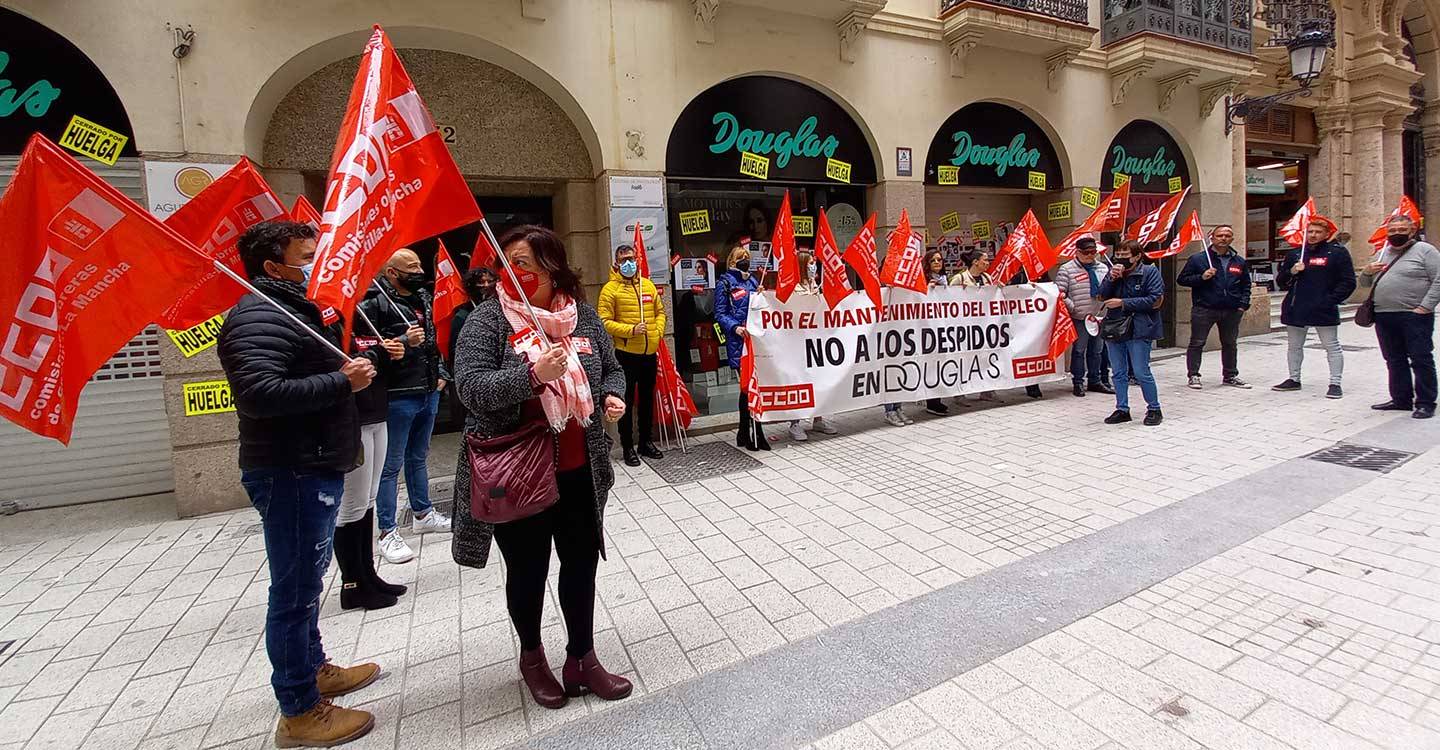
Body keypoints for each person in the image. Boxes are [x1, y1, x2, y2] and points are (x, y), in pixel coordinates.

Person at [452, 225, 631, 710]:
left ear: (553, 268)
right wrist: (531, 376)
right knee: (528, 571)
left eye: (526, 263)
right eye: (507, 263)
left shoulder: (582, 318)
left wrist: (613, 394)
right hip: (518, 474)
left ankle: (582, 657)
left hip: (579, 470)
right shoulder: (488, 321)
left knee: (581, 564)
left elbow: (612, 369)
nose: (515, 272)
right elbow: (469, 389)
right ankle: (532, 658)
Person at [218, 221, 380, 746]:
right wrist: (341, 381)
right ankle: (299, 708)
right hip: (291, 469)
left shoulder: (294, 310)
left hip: (313, 462)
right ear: (272, 267)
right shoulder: (256, 315)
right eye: (307, 256)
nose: (318, 263)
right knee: (294, 590)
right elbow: (259, 393)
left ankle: (314, 667)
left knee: (308, 582)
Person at [359, 249, 453, 565]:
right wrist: (403, 338)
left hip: (428, 389)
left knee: (418, 456)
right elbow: (365, 348)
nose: (417, 269)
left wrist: (441, 374)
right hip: (398, 394)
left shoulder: (423, 297)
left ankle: (423, 512)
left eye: (418, 263)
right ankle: (387, 531)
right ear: (391, 273)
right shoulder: (374, 303)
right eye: (410, 266)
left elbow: (433, 340)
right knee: (390, 464)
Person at [335, 293, 408, 611]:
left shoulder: (365, 316)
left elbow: (374, 363)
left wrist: (388, 350)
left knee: (368, 499)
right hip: (355, 421)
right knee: (351, 505)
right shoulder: (329, 325)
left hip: (378, 413)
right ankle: (352, 583)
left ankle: (369, 574)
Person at [1361, 214, 1440, 419]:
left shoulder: (1425, 251)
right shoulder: (1382, 252)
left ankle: (1425, 402)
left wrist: (1425, 306)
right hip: (1384, 315)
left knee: (1420, 358)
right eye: (1392, 230)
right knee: (1393, 359)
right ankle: (1401, 399)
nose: (1396, 234)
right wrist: (1367, 272)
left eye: (1401, 230)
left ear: (1412, 230)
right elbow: (1364, 284)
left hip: (1414, 315)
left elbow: (1438, 280)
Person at [597, 244, 666, 465]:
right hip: (626, 354)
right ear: (616, 263)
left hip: (649, 353)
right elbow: (604, 322)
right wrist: (631, 331)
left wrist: (657, 332)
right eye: (624, 259)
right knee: (624, 401)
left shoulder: (648, 286)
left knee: (647, 400)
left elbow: (660, 312)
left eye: (632, 258)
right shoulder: (610, 290)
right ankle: (628, 447)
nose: (629, 263)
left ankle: (646, 442)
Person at [1271, 219, 1356, 399]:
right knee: (1294, 346)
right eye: (1310, 231)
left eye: (1318, 232)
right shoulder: (1295, 254)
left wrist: (1330, 300)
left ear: (1326, 234)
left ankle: (1335, 382)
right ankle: (1294, 378)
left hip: (1323, 308)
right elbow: (1281, 282)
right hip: (1296, 307)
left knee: (1331, 346)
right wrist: (1293, 271)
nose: (1313, 235)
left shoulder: (1337, 253)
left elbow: (1348, 282)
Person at [1098, 240, 1165, 426]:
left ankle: (1154, 408)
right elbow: (1101, 294)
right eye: (1118, 255)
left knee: (1141, 371)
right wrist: (1111, 279)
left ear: (1137, 256)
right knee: (1118, 372)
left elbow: (1154, 299)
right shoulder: (1112, 272)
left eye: (1125, 255)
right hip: (1115, 327)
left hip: (1139, 327)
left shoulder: (1149, 272)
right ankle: (1122, 409)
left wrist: (1124, 303)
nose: (1120, 259)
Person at [1177, 224, 1252, 390]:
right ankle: (1194, 375)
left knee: (1230, 343)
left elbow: (1246, 285)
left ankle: (1230, 375)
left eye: (1227, 235)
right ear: (1212, 238)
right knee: (1197, 342)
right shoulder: (1198, 259)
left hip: (1232, 309)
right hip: (1204, 308)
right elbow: (1182, 279)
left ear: (1232, 238)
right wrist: (1201, 277)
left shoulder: (1238, 261)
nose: (1223, 238)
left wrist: (1243, 305)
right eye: (1220, 235)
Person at [715, 245, 771, 449]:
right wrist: (735, 328)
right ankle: (750, 433)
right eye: (741, 257)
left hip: (756, 341)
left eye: (747, 257)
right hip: (739, 342)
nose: (745, 260)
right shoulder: (725, 283)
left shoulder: (753, 281)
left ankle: (749, 432)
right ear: (732, 261)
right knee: (746, 389)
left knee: (754, 387)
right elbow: (720, 314)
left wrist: (762, 295)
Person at [785, 250, 841, 441]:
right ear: (802, 265)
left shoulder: (815, 284)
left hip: (817, 341)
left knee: (819, 379)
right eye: (810, 263)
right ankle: (795, 423)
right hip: (798, 343)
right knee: (800, 381)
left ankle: (818, 419)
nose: (813, 266)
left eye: (814, 262)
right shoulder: (794, 287)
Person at [1054, 237, 1115, 398]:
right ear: (1077, 252)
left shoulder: (1102, 267)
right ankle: (1078, 381)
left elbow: (1109, 288)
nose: (1090, 255)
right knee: (1079, 350)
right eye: (1086, 252)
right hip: (1080, 316)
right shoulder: (1066, 269)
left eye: (1093, 252)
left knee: (1097, 351)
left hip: (1099, 316)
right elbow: (1060, 293)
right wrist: (1073, 307)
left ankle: (1094, 380)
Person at [951, 248, 1001, 404]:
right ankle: (959, 393)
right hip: (964, 327)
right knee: (964, 360)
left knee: (985, 357)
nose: (987, 263)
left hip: (983, 326)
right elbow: (946, 300)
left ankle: (986, 390)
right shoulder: (959, 279)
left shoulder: (987, 278)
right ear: (975, 262)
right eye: (985, 260)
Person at [921, 249, 950, 416]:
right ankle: (932, 402)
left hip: (944, 327)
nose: (938, 263)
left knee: (941, 364)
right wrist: (927, 290)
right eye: (933, 260)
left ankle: (938, 399)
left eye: (940, 260)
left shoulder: (946, 280)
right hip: (928, 328)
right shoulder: (923, 280)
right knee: (931, 365)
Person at [449, 266, 497, 362]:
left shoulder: (503, 308)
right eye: (481, 282)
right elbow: (455, 352)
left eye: (490, 281)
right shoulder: (462, 316)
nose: (486, 285)